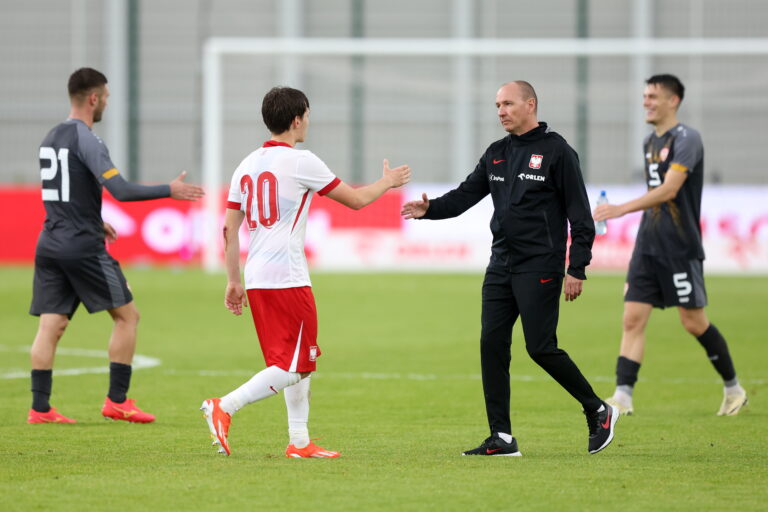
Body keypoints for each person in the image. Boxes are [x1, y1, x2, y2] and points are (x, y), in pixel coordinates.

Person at [401, 81, 617, 456]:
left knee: (541, 348)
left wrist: (577, 268)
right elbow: (466, 195)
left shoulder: (558, 152)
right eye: (497, 105)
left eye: (508, 103)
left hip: (541, 265)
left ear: (530, 104)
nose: (500, 111)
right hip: (501, 263)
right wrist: (430, 209)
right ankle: (501, 437)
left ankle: (598, 409)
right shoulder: (497, 153)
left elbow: (581, 217)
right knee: (492, 345)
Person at [200, 86, 410, 458]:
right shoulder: (302, 161)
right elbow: (357, 201)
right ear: (297, 120)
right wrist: (389, 182)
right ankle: (224, 406)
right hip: (288, 278)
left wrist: (233, 280)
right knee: (295, 365)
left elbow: (229, 229)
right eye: (307, 116)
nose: (308, 122)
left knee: (294, 362)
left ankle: (299, 442)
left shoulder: (245, 165)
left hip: (257, 277)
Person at [27, 67, 205, 424]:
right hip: (82, 248)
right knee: (127, 316)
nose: (107, 101)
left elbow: (63, 191)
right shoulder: (87, 139)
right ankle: (118, 400)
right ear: (93, 98)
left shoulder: (51, 137)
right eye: (105, 96)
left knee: (52, 325)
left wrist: (93, 220)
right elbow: (120, 190)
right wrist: (168, 190)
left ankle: (40, 408)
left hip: (50, 242)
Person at [593, 74, 747, 417]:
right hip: (647, 245)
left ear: (673, 100)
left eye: (652, 96)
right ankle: (623, 396)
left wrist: (620, 209)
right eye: (645, 95)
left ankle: (733, 388)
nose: (646, 101)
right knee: (632, 318)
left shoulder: (687, 139)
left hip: (679, 246)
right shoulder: (650, 141)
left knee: (693, 322)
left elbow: (670, 190)